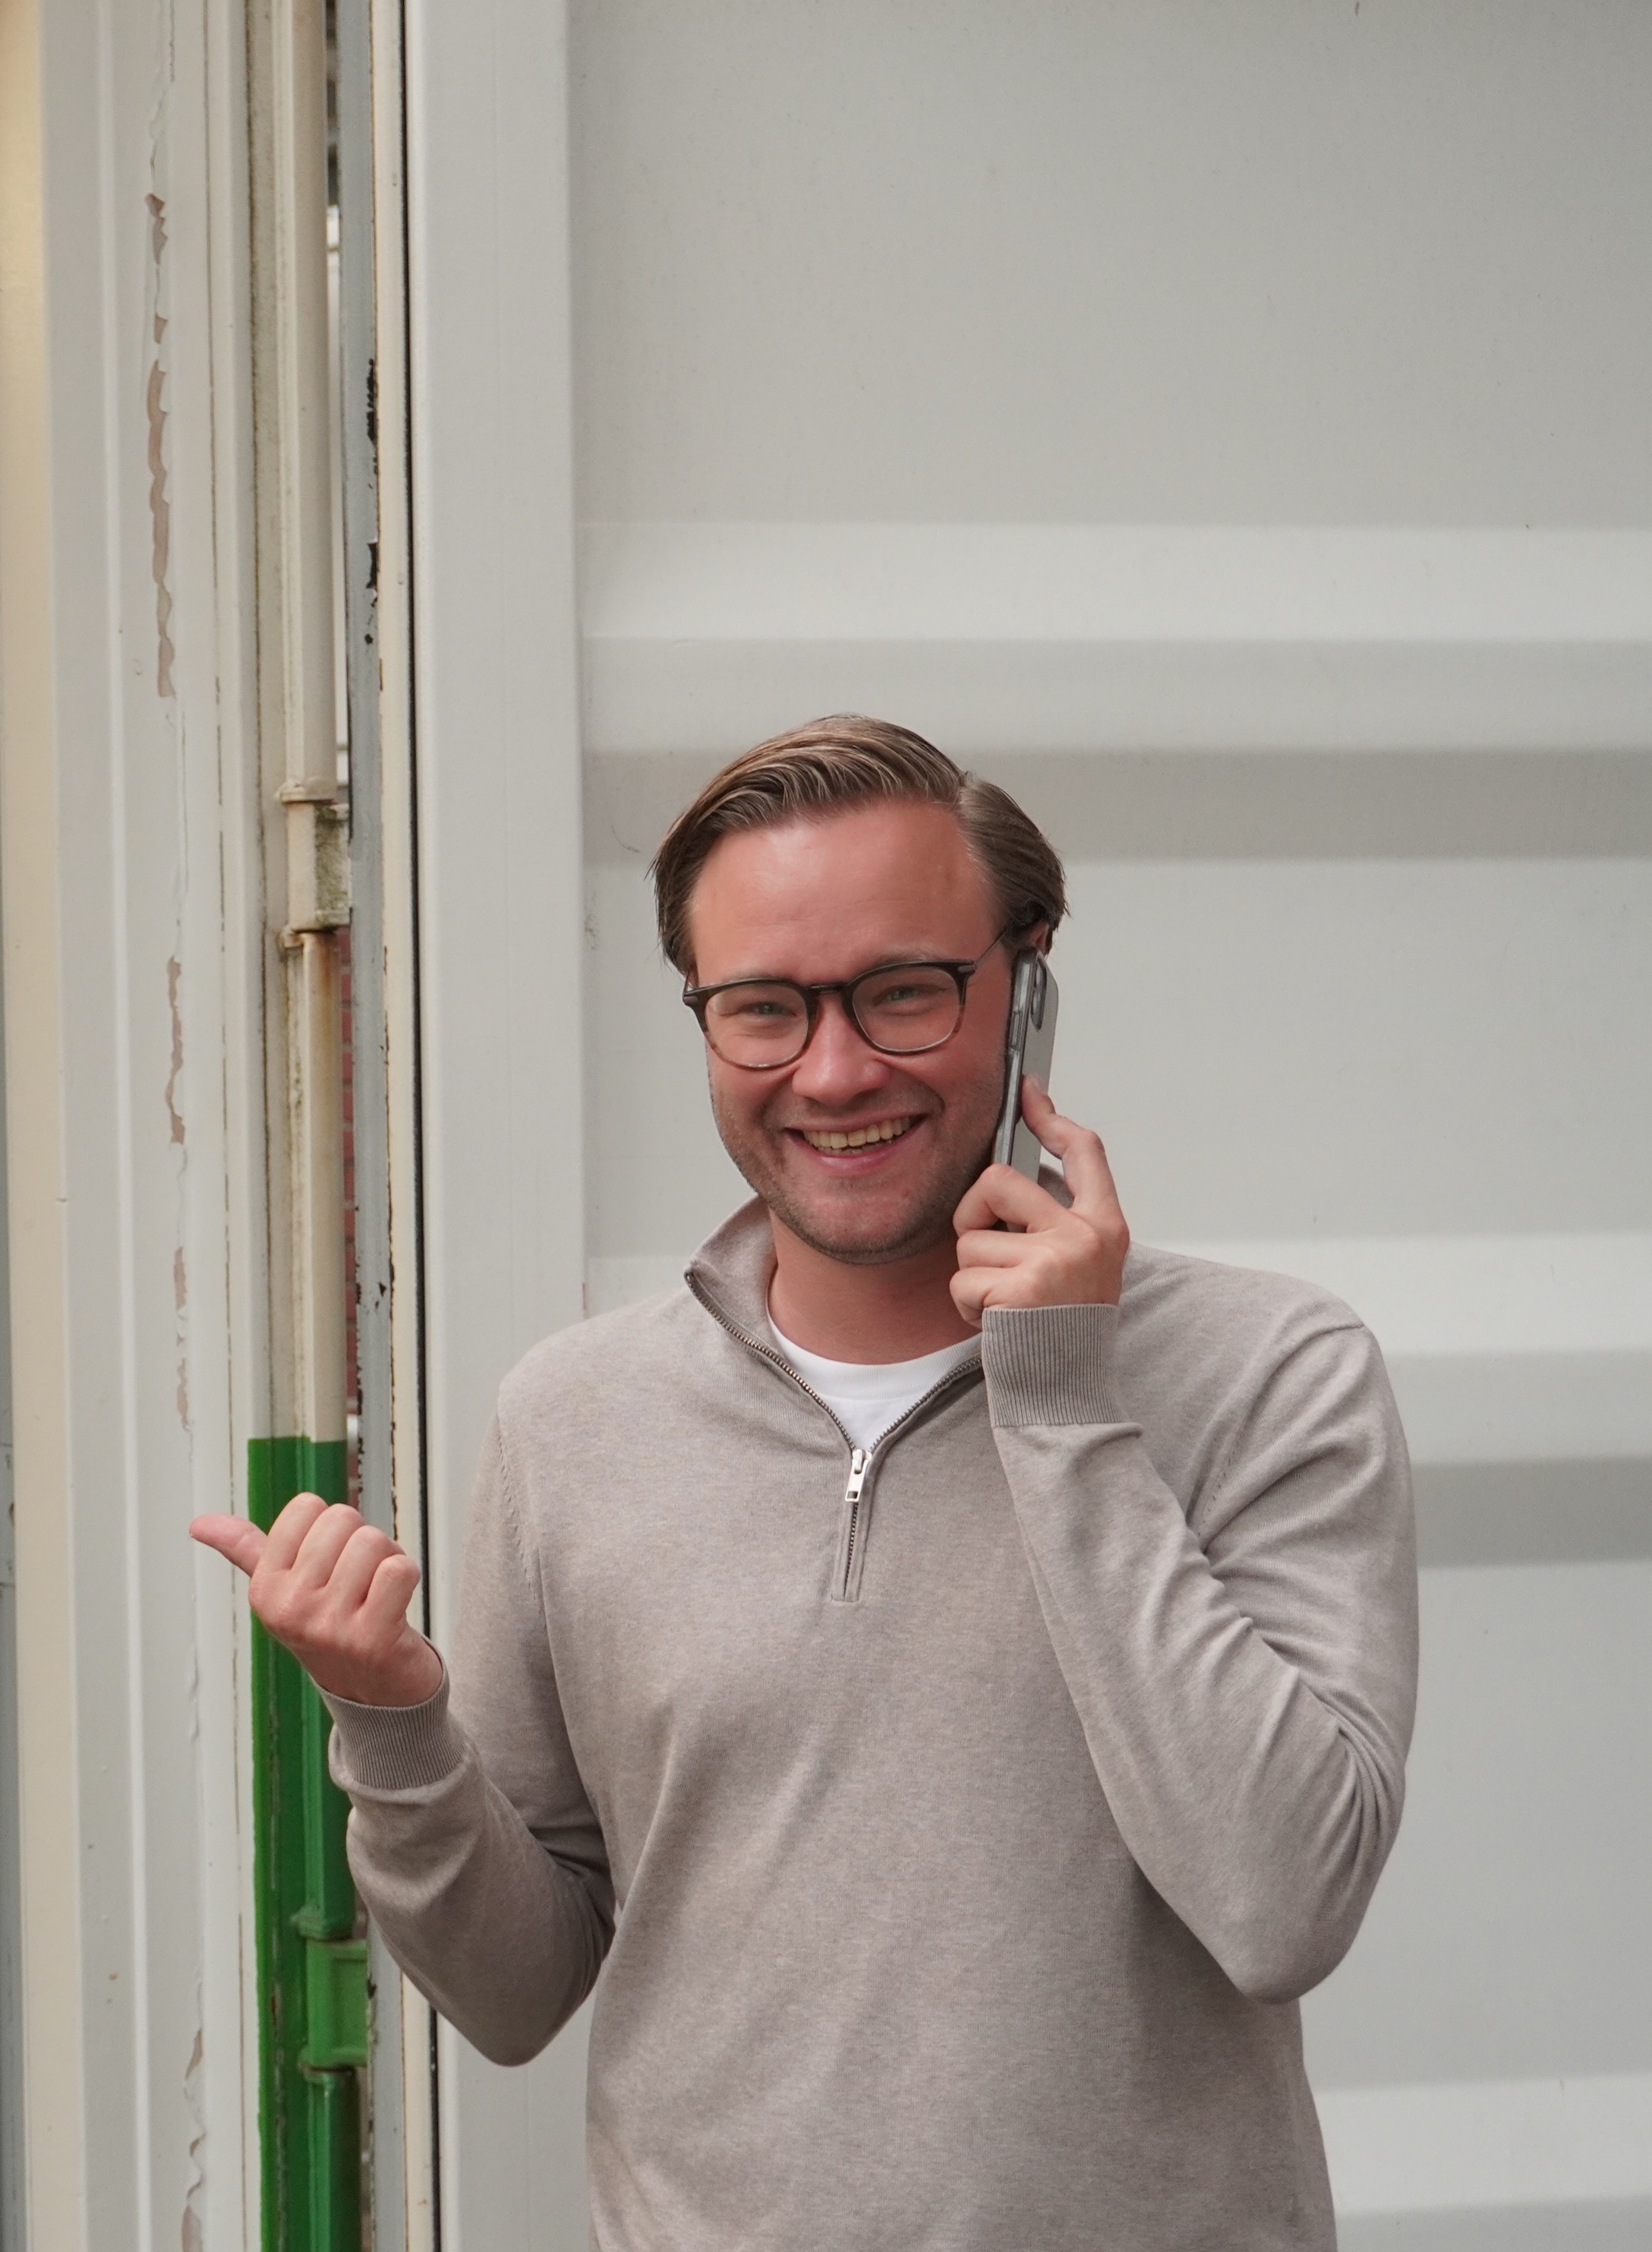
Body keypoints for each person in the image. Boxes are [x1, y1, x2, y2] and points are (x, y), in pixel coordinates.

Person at [192, 715, 1419, 2251]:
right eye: (761, 1010)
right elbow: (511, 1996)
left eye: (900, 993)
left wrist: (1060, 1407)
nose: (831, 1072)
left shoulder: (1267, 1371)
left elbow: (1280, 1906)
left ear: (1024, 981)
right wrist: (391, 1725)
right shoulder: (573, 1417)